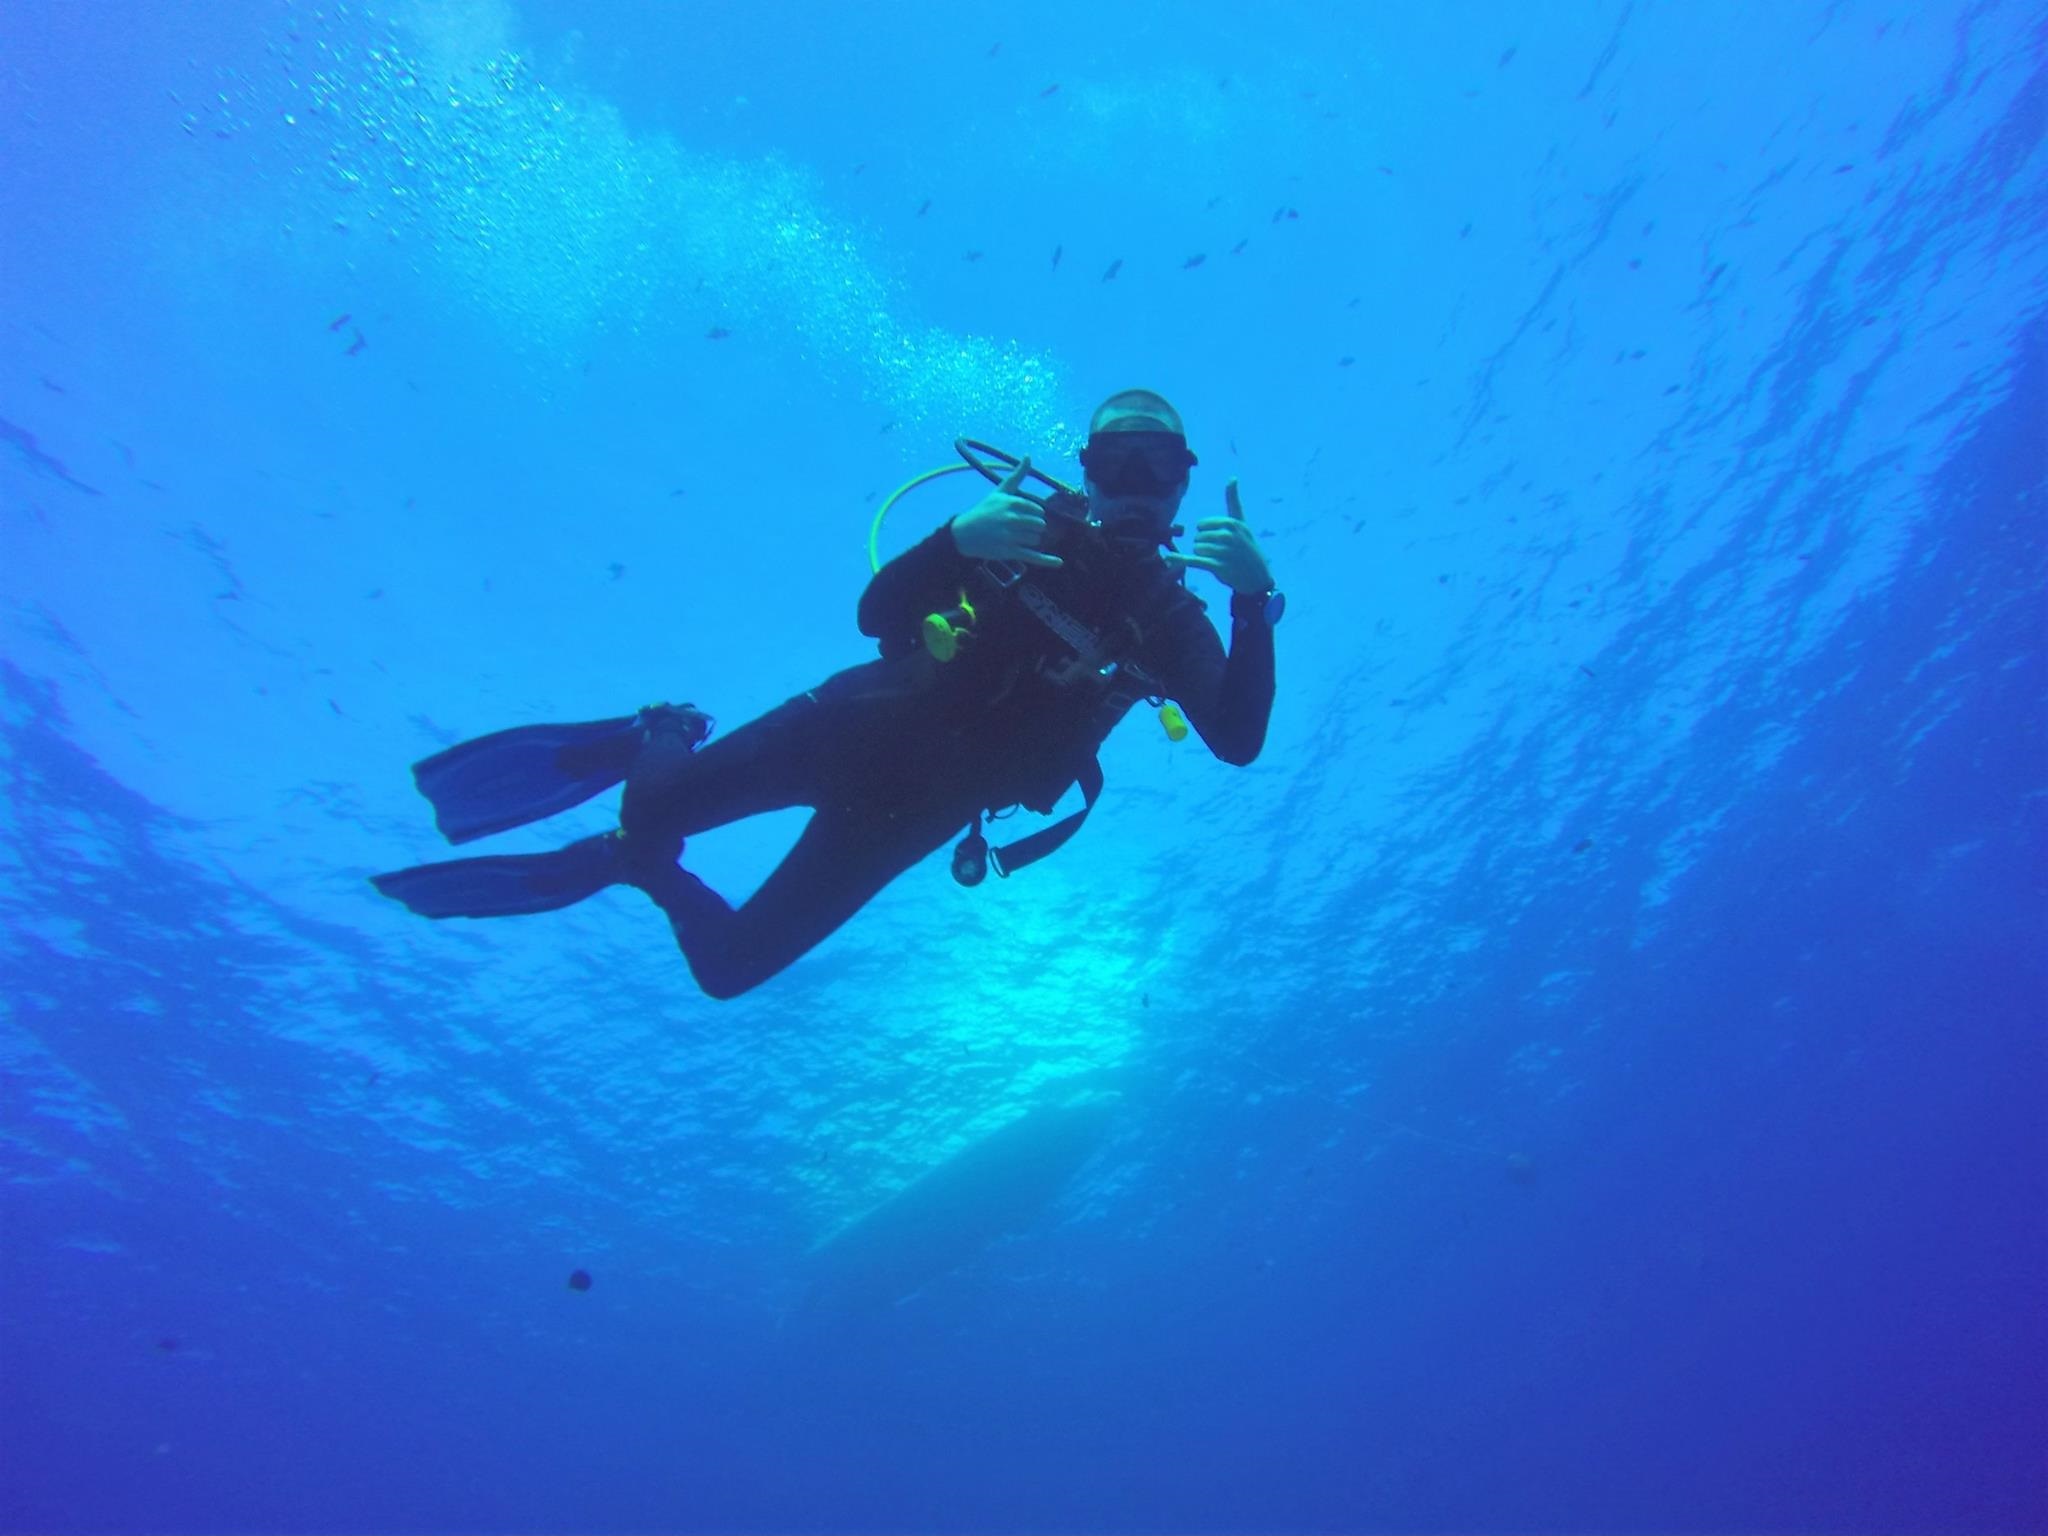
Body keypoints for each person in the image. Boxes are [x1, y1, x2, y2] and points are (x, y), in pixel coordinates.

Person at [372, 389, 1282, 999]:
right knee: (651, 805)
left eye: (1159, 468)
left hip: (920, 813)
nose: (1136, 488)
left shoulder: (1171, 619)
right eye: (1117, 464)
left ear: (1185, 484)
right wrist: (955, 542)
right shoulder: (1018, 528)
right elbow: (876, 611)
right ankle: (662, 730)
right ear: (1085, 468)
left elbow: (1238, 740)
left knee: (729, 970)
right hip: (856, 725)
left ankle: (635, 864)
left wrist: (1251, 606)